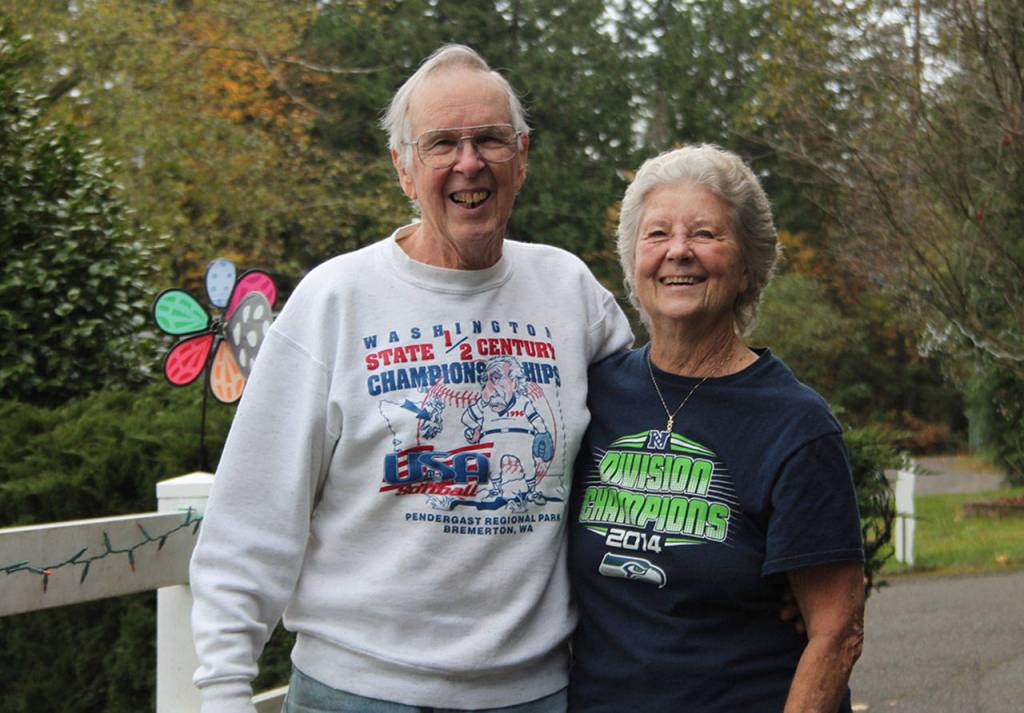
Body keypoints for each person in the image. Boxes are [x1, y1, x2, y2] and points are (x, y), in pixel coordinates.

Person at [189, 44, 633, 713]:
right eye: (441, 143)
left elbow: (649, 448)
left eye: (490, 139)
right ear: (403, 167)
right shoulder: (335, 300)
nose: (469, 162)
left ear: (522, 156)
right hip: (354, 693)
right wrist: (224, 689)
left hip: (533, 694)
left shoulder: (572, 293)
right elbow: (253, 512)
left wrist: (758, 570)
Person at [568, 145, 865, 713]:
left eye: (704, 233)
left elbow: (837, 631)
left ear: (748, 267)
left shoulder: (795, 424)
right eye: (657, 234)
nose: (678, 250)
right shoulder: (592, 395)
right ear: (633, 261)